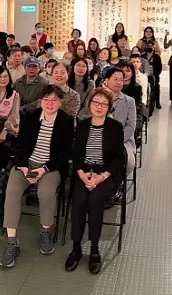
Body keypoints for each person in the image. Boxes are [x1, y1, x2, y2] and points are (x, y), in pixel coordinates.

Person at [1, 86, 75, 268]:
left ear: (60, 102)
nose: (50, 103)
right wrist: (24, 167)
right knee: (12, 191)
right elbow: (20, 144)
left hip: (50, 167)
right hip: (27, 164)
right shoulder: (31, 116)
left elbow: (66, 152)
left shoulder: (66, 121)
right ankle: (11, 242)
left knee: (46, 193)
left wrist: (43, 169)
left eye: (54, 100)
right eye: (46, 99)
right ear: (41, 101)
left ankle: (45, 230)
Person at [65, 88, 126, 274]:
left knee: (95, 199)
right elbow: (76, 154)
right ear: (89, 104)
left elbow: (118, 158)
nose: (99, 107)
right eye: (96, 103)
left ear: (109, 107)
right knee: (79, 199)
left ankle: (94, 249)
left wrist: (102, 176)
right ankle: (76, 247)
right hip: (84, 172)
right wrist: (82, 174)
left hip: (107, 174)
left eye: (104, 104)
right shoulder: (82, 126)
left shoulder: (115, 127)